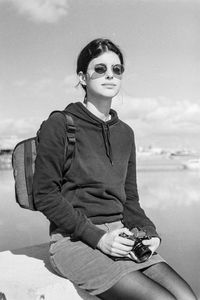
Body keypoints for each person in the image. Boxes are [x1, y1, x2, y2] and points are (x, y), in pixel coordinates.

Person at [33, 38, 197, 300]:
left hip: (124, 237)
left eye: (117, 69)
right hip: (75, 240)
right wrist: (98, 238)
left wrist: (151, 234)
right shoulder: (60, 124)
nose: (110, 74)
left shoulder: (125, 133)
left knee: (187, 297)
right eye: (100, 68)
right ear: (82, 77)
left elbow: (129, 198)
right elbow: (44, 194)